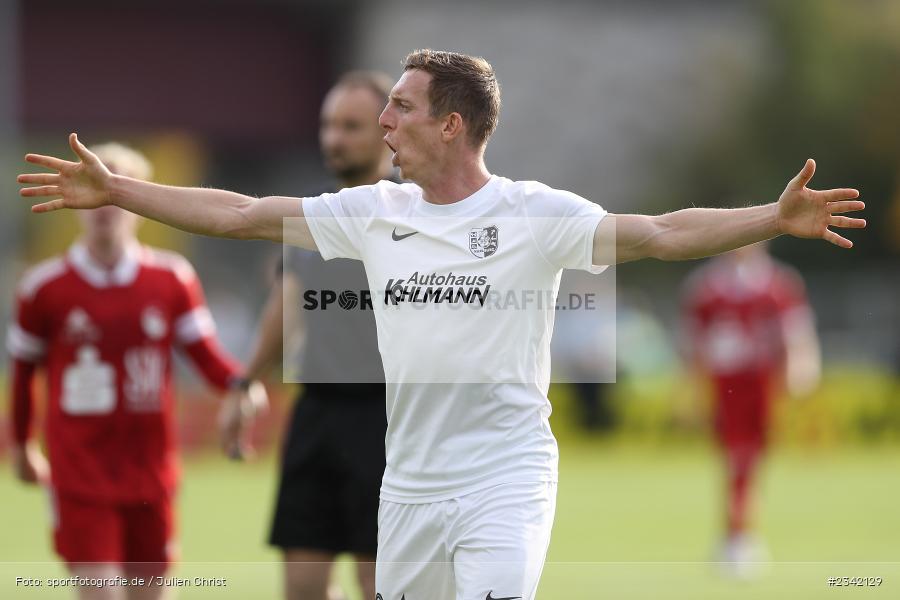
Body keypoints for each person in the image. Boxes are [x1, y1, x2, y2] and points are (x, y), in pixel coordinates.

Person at [17, 49, 865, 600]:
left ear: (450, 124)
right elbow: (241, 213)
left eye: (399, 108)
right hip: (409, 486)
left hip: (505, 476)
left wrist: (769, 217)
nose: (382, 123)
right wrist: (123, 190)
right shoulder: (373, 210)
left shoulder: (537, 214)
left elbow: (663, 233)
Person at [8, 143, 266, 600]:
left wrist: (239, 385)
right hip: (80, 473)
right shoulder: (43, 287)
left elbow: (204, 354)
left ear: (139, 205)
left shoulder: (171, 278)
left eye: (118, 189)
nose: (106, 206)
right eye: (95, 187)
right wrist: (24, 444)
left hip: (151, 471)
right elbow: (24, 373)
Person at [244, 71, 395, 600]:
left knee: (381, 583)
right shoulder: (311, 215)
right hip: (316, 414)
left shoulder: (418, 216)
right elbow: (286, 307)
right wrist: (243, 383)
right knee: (302, 586)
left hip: (390, 417)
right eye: (329, 124)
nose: (335, 137)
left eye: (351, 126)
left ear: (388, 132)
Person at [681, 243, 821, 576]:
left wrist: (800, 373)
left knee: (749, 460)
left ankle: (739, 536)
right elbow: (693, 343)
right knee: (735, 460)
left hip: (761, 383)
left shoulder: (778, 282)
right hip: (724, 384)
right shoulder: (706, 287)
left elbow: (795, 334)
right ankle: (738, 537)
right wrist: (694, 390)